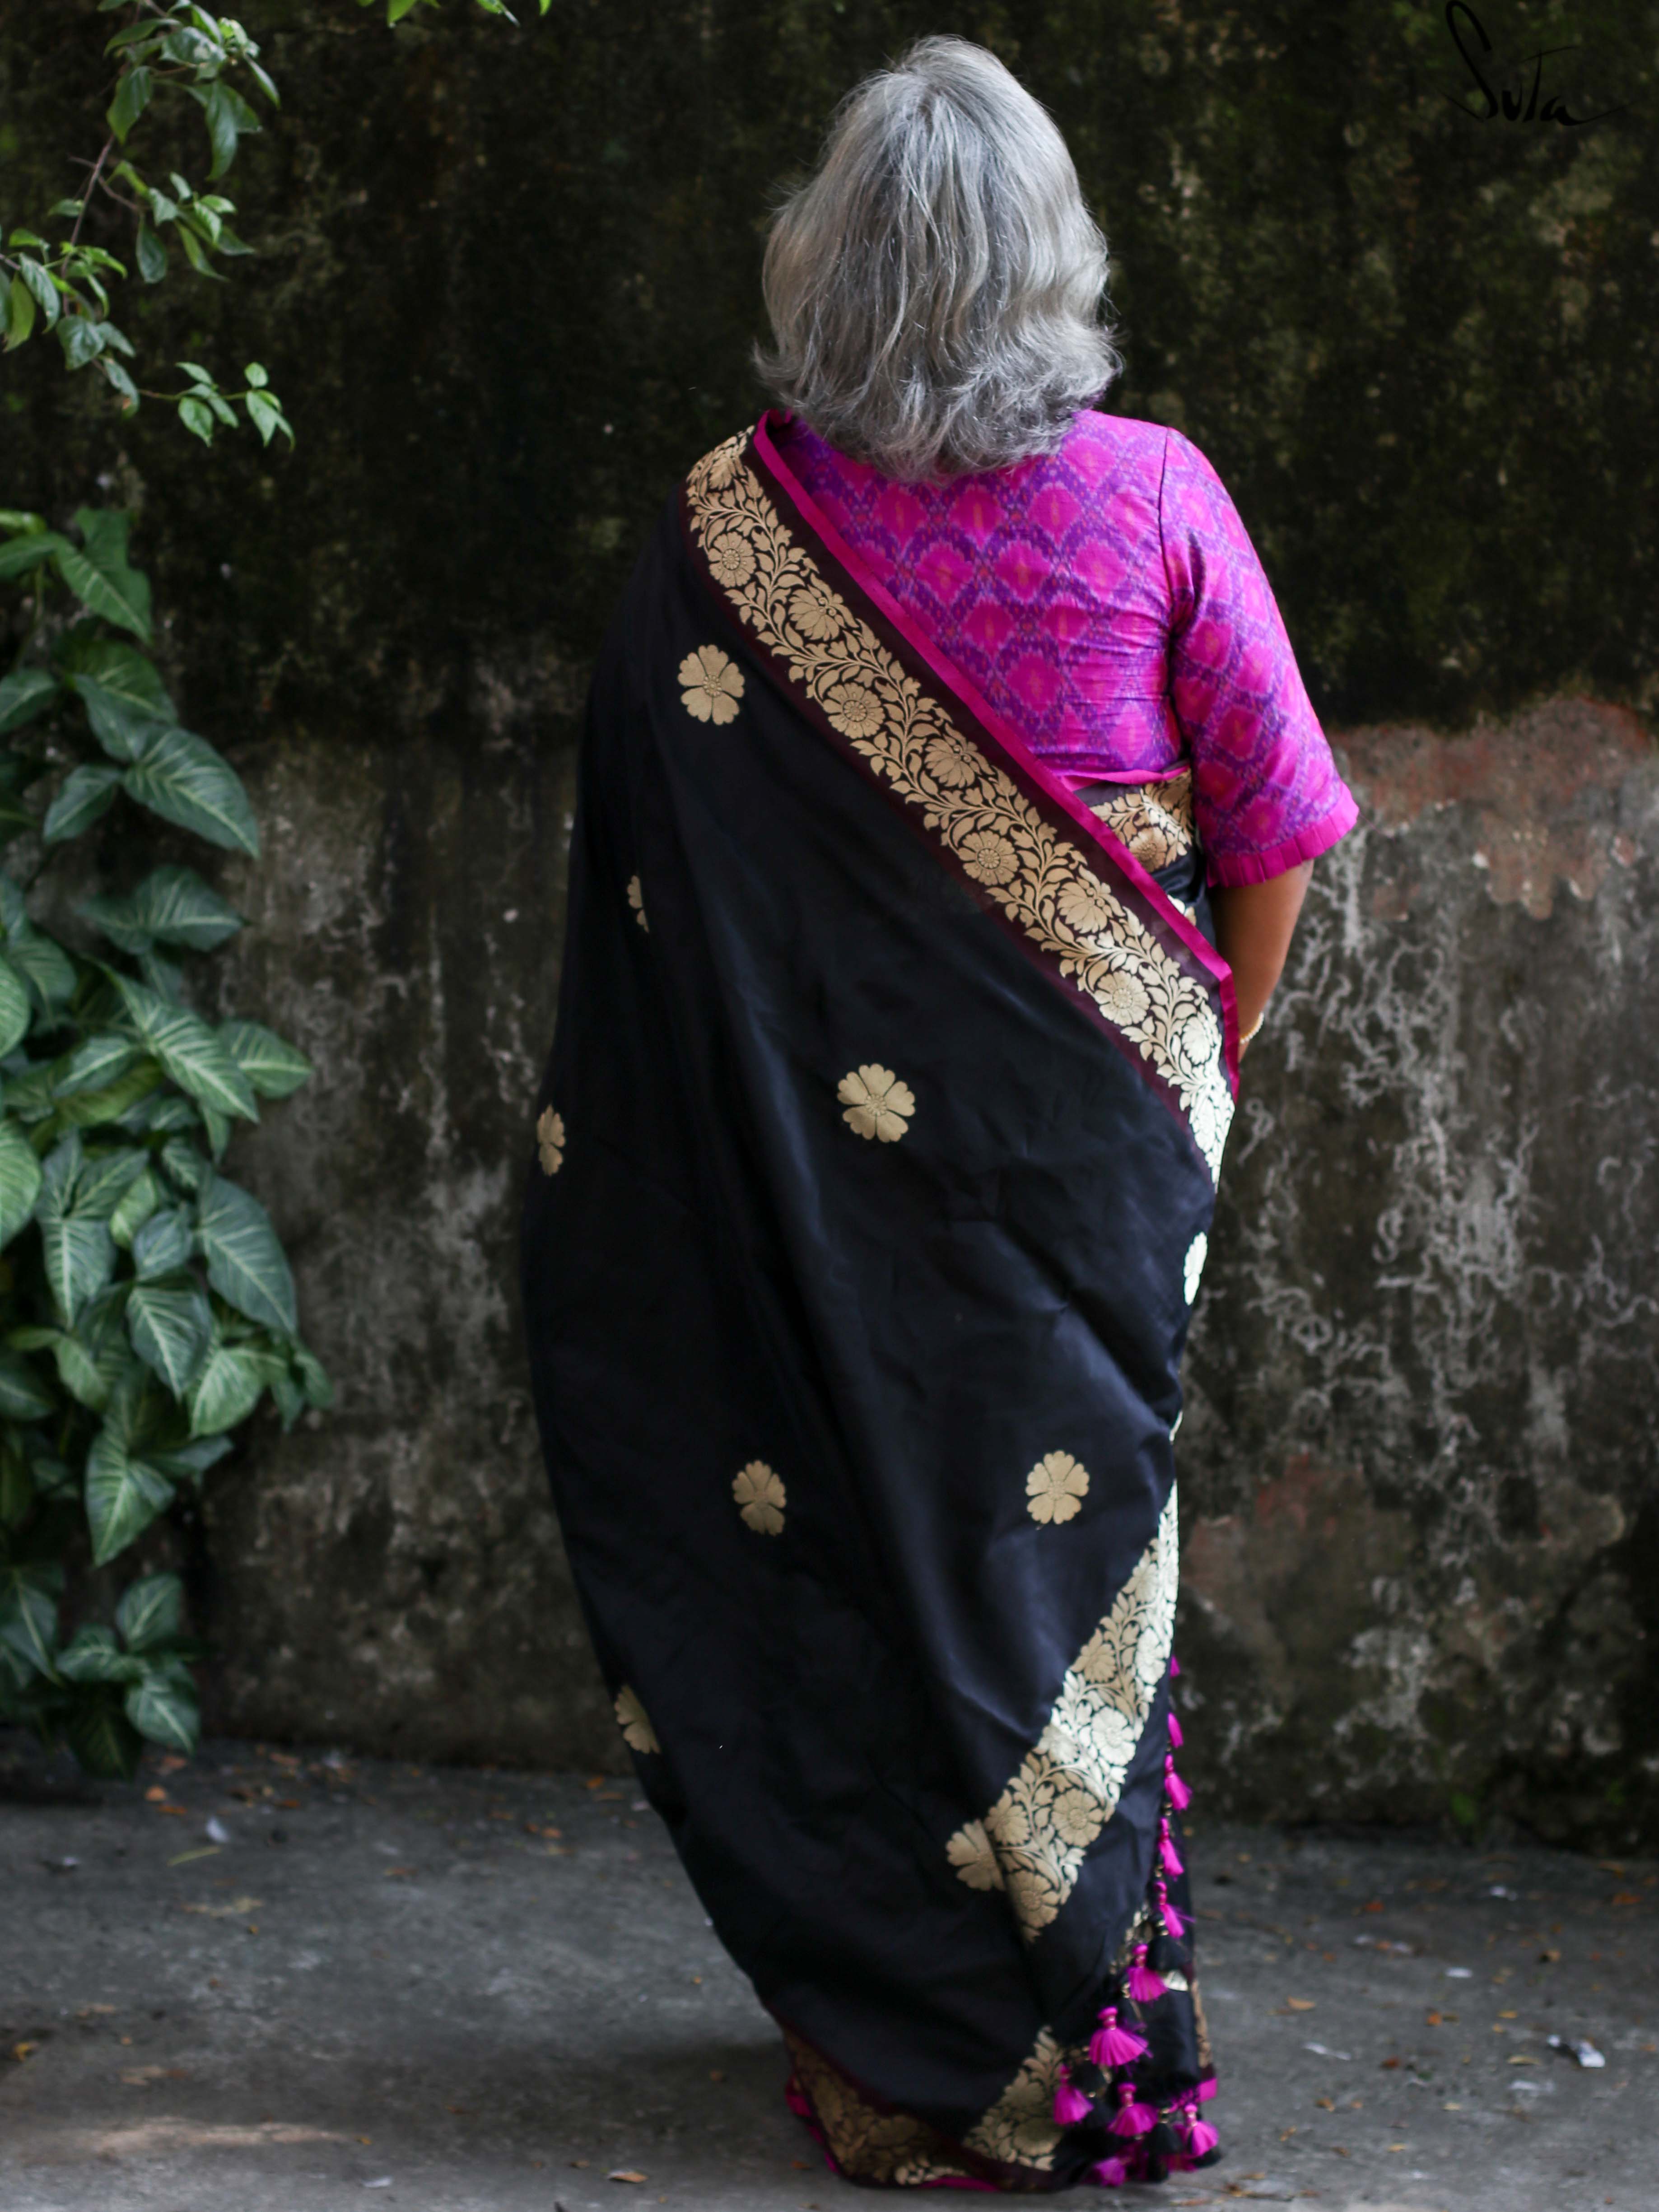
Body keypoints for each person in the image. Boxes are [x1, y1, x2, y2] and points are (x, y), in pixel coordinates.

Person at [521, 35, 1356, 2192]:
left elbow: (647, 902)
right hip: (1090, 1177)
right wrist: (1186, 1074)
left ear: (823, 269)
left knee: (843, 1571)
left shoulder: (722, 531)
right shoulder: (1158, 493)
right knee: (1066, 1575)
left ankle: (902, 2039)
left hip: (789, 1197)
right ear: (1047, 266)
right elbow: (1275, 829)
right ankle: (1082, 2043)